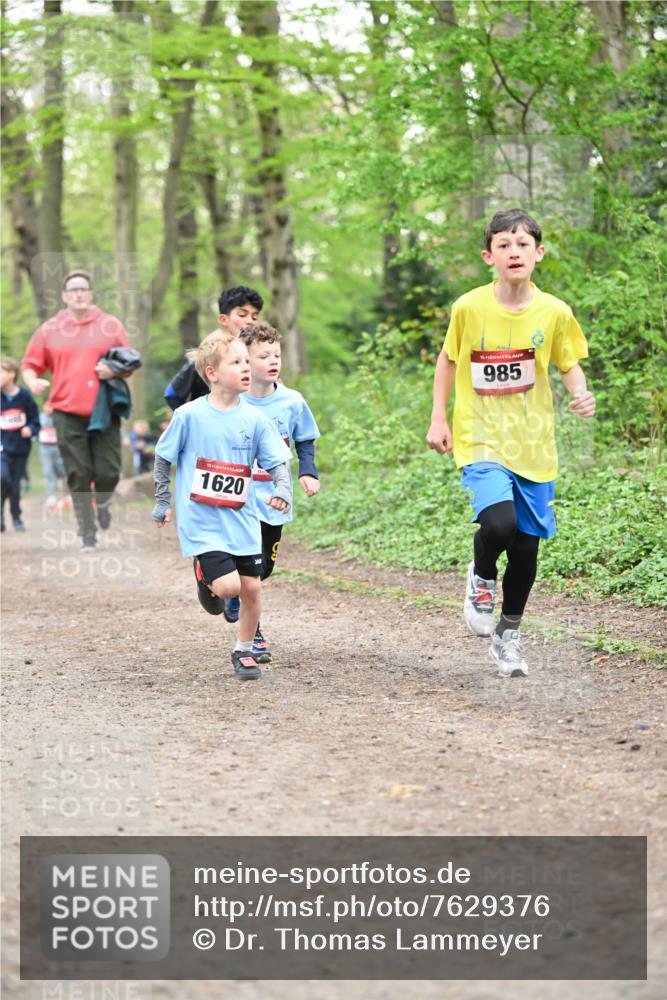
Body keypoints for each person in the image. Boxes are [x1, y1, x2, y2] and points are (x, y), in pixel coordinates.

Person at [426, 208, 595, 678]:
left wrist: (580, 394)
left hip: (535, 445)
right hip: (480, 437)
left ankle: (509, 634)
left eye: (523, 244)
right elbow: (448, 360)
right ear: (489, 256)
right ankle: (481, 577)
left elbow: (568, 363)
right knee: (498, 526)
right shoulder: (469, 307)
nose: (514, 252)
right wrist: (439, 418)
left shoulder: (555, 312)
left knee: (525, 548)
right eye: (503, 244)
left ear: (538, 254)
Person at [152, 329, 292, 681]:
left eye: (248, 361)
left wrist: (283, 489)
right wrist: (163, 500)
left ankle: (243, 650)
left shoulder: (255, 419)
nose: (246, 368)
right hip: (202, 519)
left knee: (253, 587)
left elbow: (278, 461)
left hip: (242, 518)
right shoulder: (188, 416)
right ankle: (205, 575)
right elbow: (162, 458)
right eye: (236, 362)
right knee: (229, 588)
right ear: (212, 373)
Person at [21, 270, 133, 549]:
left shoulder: (110, 325)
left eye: (83, 288)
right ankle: (87, 533)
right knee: (78, 473)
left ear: (91, 293)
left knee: (108, 472)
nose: (79, 293)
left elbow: (129, 362)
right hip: (66, 412)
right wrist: (33, 380)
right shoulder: (50, 329)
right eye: (73, 290)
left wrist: (113, 370)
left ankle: (104, 502)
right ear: (64, 296)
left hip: (105, 410)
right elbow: (29, 364)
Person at [238, 321, 320, 662]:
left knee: (264, 569)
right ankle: (252, 634)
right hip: (238, 499)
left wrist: (309, 471)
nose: (273, 361)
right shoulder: (232, 401)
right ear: (244, 361)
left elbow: (304, 437)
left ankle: (234, 596)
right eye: (264, 356)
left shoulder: (292, 401)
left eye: (277, 355)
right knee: (246, 571)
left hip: (274, 496)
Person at [164, 285, 263, 411]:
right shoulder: (208, 355)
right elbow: (172, 394)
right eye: (242, 315)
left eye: (254, 317)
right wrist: (195, 422)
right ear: (223, 319)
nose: (250, 321)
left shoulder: (260, 356)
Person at [1, 357, 40, 532]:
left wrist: (30, 429)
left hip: (21, 448)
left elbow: (35, 420)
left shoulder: (24, 397)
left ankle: (16, 515)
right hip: (2, 447)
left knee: (15, 485)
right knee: (2, 478)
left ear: (11, 374)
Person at [37, 405, 67, 509]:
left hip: (58, 448)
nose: (49, 408)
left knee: (63, 473)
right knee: (48, 472)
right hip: (45, 448)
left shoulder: (59, 418)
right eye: (47, 406)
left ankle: (66, 496)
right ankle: (51, 496)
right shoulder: (40, 418)